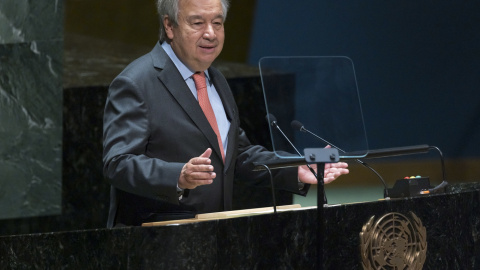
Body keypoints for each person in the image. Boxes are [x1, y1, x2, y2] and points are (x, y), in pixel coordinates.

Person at [102, 0, 349, 227]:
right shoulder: (136, 83)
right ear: (169, 25)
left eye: (217, 23)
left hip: (215, 237)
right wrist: (178, 176)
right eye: (198, 23)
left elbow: (236, 156)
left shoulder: (216, 79)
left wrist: (295, 168)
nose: (210, 33)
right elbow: (117, 163)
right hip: (155, 242)